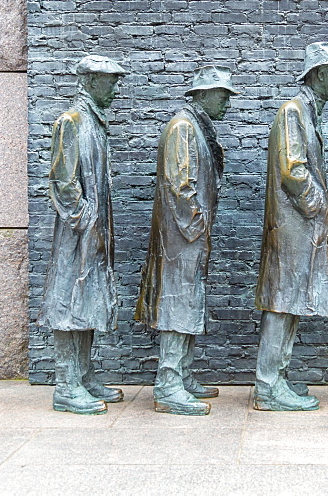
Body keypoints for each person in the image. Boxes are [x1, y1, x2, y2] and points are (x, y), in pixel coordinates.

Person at [254, 41, 328, 411]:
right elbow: (293, 171)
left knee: (291, 302)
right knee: (283, 302)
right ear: (320, 74)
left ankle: (276, 378)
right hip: (293, 227)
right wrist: (319, 208)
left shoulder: (307, 113)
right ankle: (267, 385)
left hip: (301, 227)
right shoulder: (292, 112)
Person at [136, 66, 238, 415]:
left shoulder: (196, 126)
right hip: (183, 235)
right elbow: (181, 185)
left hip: (189, 234)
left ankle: (182, 373)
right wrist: (196, 225)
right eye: (221, 94)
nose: (226, 102)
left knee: (189, 300)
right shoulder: (183, 127)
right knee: (178, 303)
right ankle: (168, 384)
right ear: (202, 94)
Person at [39, 55, 127, 415]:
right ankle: (66, 384)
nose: (116, 88)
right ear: (90, 81)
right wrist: (84, 218)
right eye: (111, 81)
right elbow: (63, 180)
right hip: (78, 233)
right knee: (67, 301)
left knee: (88, 299)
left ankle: (84, 375)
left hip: (94, 231)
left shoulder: (94, 122)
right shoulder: (71, 121)